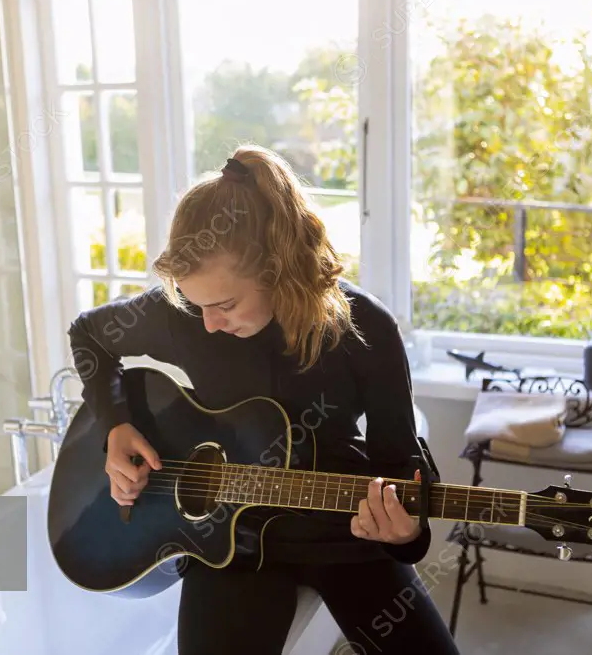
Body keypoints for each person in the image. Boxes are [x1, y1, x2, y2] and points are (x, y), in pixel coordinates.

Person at [68, 145, 460, 655]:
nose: (208, 321)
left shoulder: (365, 329)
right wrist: (116, 425)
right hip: (229, 549)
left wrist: (405, 533)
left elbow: (400, 463)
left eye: (225, 304)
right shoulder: (186, 314)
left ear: (277, 269)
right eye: (196, 303)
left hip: (345, 537)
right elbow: (90, 335)